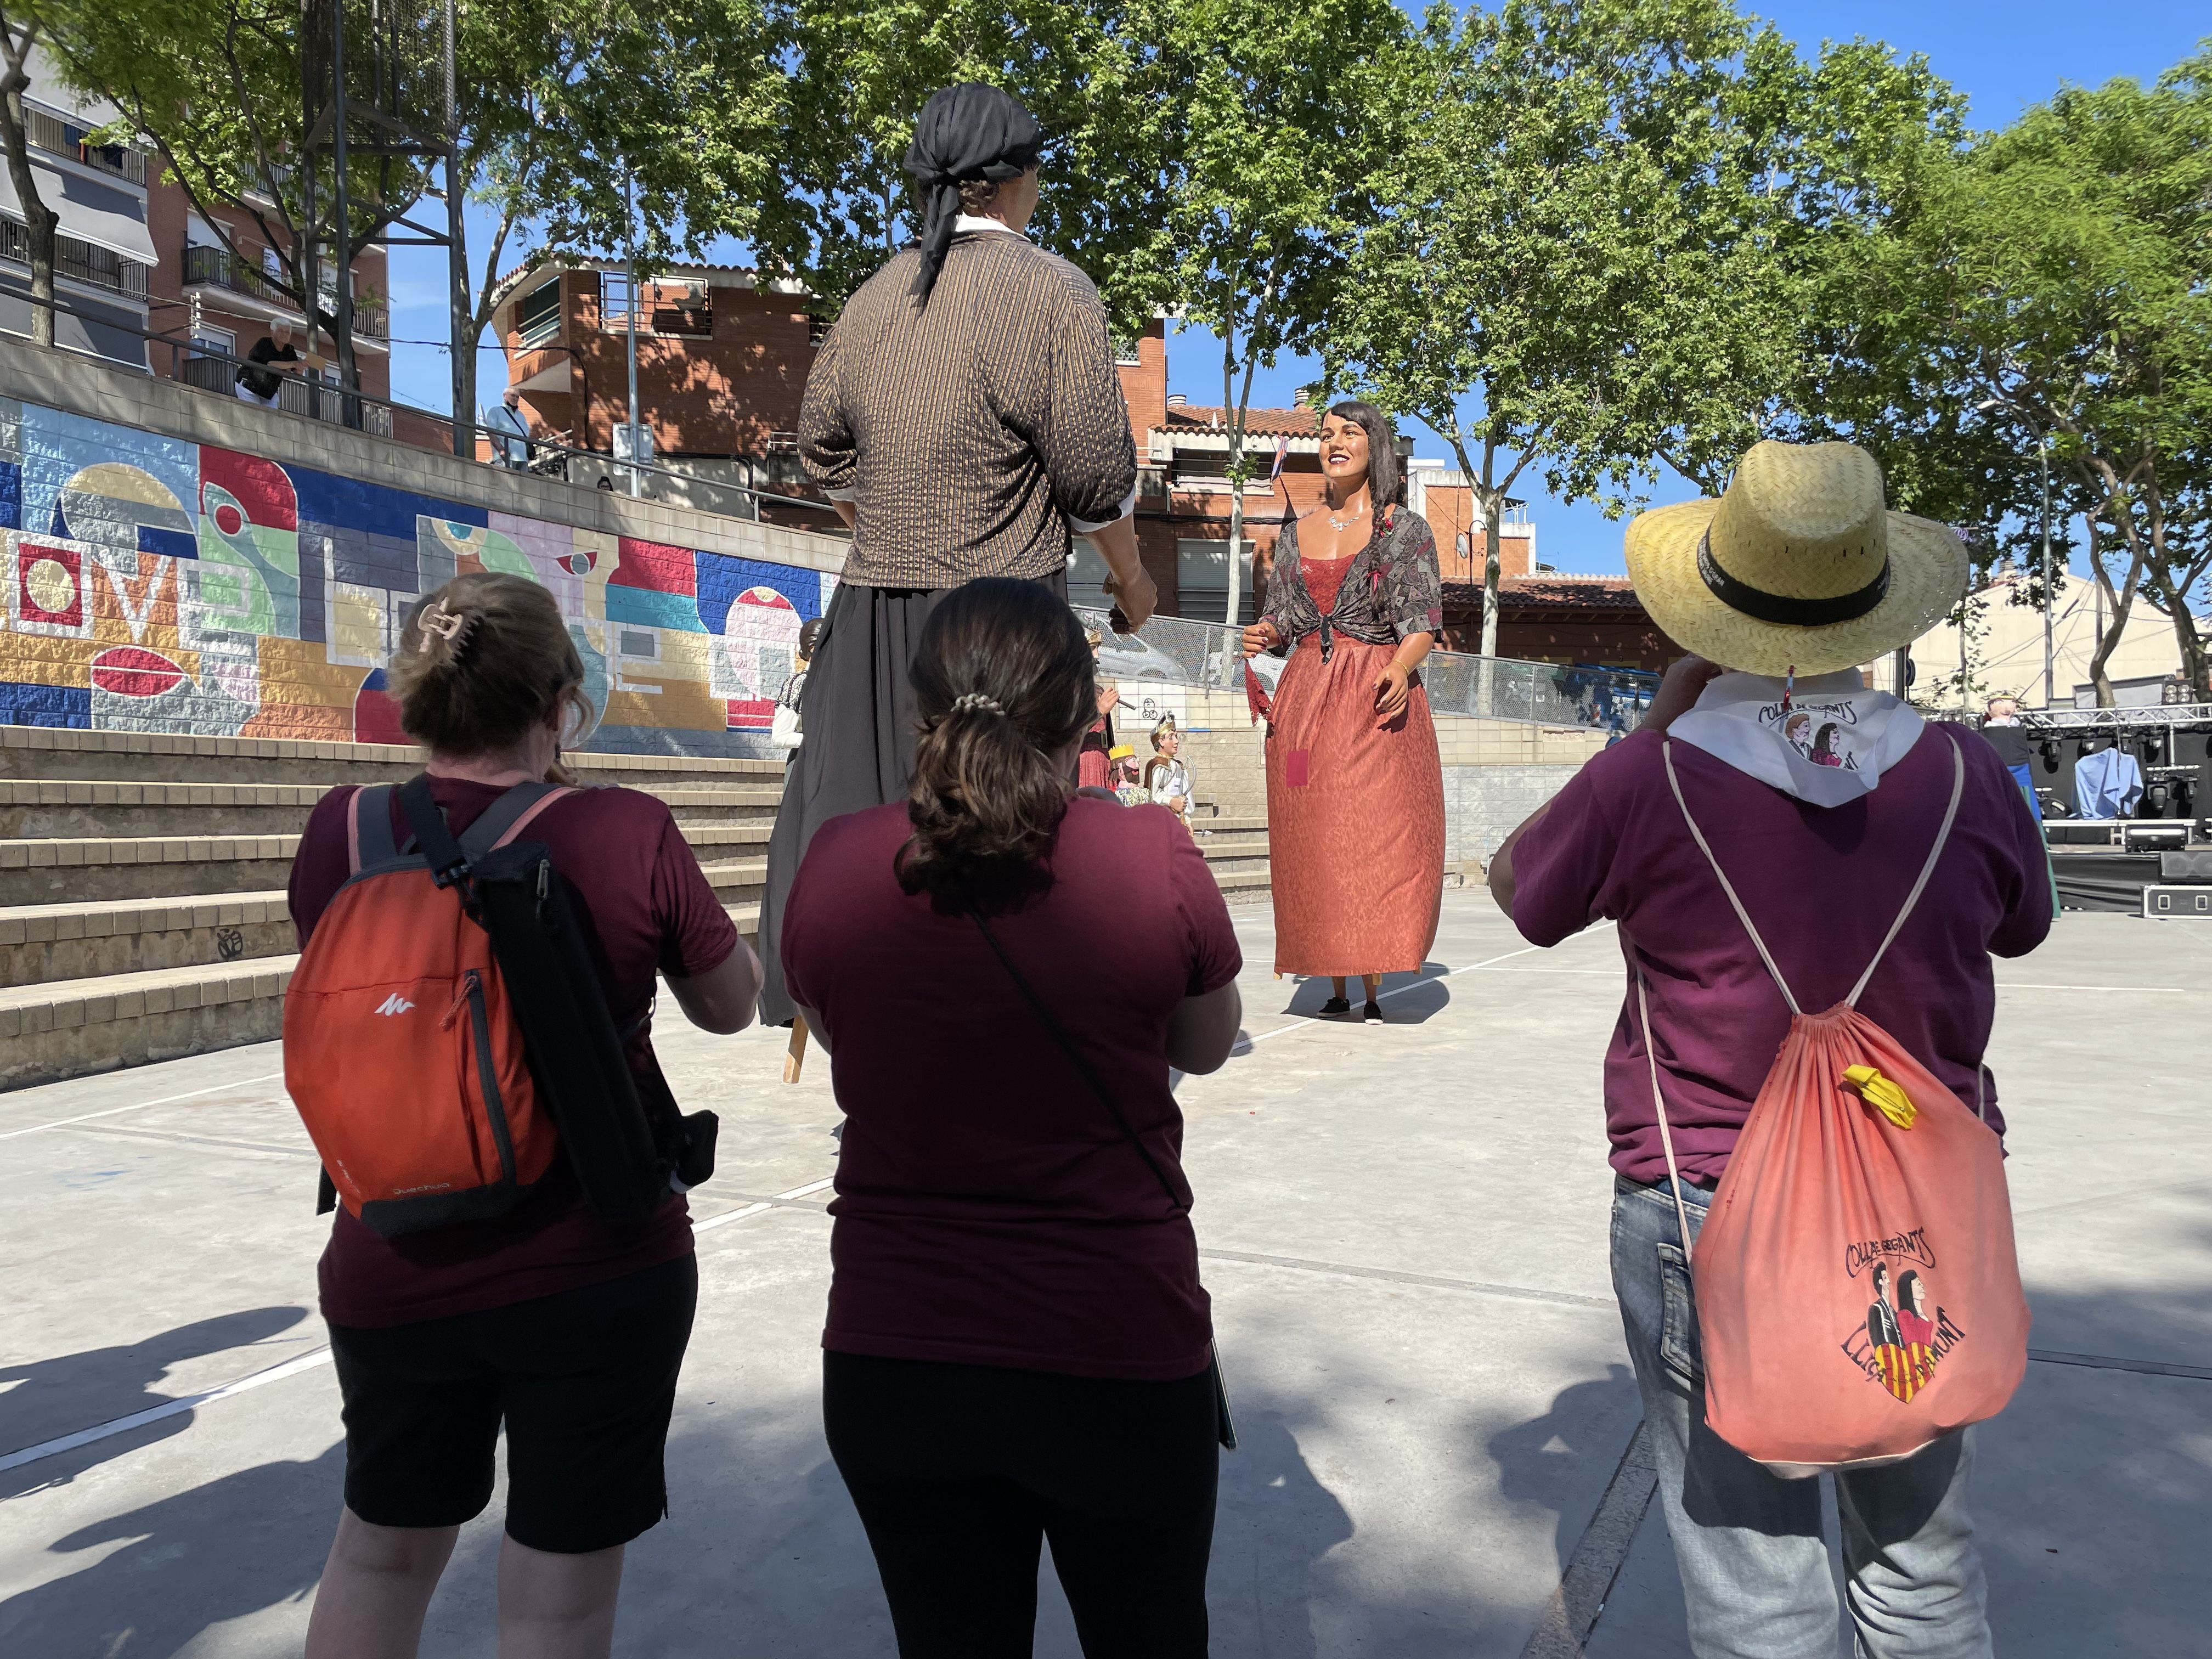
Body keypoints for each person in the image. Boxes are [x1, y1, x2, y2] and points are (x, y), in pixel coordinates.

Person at [1488, 439, 2052, 1659]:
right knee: (1924, 1563)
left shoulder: (1650, 780)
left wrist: (1654, 722)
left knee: (1755, 1582)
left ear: (1718, 608)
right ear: (1872, 600)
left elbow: (1520, 892)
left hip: (1706, 1204)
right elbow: (2025, 925)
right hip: (1920, 1208)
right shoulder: (1969, 775)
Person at [289, 571, 764, 1659]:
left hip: (390, 1261)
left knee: (379, 1555)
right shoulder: (625, 830)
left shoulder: (343, 834)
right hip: (593, 1265)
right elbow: (732, 1008)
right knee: (555, 1601)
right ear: (561, 702)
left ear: (420, 700)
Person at [781, 579, 1241, 1658]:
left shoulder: (839, 863)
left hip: (899, 1358)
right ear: (1083, 711)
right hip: (1115, 1350)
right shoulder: (1148, 857)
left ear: (919, 708)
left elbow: (849, 1037)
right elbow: (1204, 1046)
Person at [757, 82, 1156, 1031]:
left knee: (870, 843)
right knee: (1000, 850)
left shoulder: (873, 296)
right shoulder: (1054, 290)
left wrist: (888, 524)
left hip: (873, 624)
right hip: (1000, 621)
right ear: (1021, 178)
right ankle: (1000, 1039)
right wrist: (1134, 579)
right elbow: (1096, 475)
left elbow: (819, 449)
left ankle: (877, 1035)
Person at [1240, 401, 1444, 1025]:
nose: (1334, 442)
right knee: (1315, 840)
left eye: (1349, 433)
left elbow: (1422, 621)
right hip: (1303, 710)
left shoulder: (1404, 530)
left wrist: (1401, 667)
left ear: (1372, 446)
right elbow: (1288, 616)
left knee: (1377, 838)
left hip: (1373, 701)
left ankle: (1377, 980)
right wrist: (1264, 633)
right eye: (1326, 434)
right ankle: (1332, 982)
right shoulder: (1296, 533)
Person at [1977, 695, 2042, 822]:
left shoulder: (2018, 727)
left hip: (2022, 770)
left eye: (2012, 702)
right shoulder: (1988, 730)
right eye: (2001, 702)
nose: (2007, 706)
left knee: (2027, 804)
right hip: (1997, 771)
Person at [772, 616, 828, 753]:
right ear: (813, 648)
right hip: (806, 763)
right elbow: (780, 736)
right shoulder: (799, 683)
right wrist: (819, 741)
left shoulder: (837, 682)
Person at [235, 320, 304, 407]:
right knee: (254, 416)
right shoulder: (264, 343)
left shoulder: (289, 350)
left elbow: (297, 371)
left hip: (268, 392)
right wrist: (293, 364)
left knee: (272, 418)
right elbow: (270, 364)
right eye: (280, 331)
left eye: (287, 332)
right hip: (248, 386)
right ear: (272, 333)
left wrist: (301, 367)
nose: (284, 335)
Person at [1146, 714, 1193, 823]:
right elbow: (1152, 794)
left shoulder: (1179, 766)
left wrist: (1187, 819)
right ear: (1161, 741)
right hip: (1160, 820)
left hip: (1178, 821)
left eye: (1176, 736)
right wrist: (1170, 801)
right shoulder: (1157, 765)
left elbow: (1186, 795)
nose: (1177, 741)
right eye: (1171, 737)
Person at [484, 386, 532, 471]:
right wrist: (501, 450)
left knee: (522, 483)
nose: (515, 398)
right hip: (506, 457)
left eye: (517, 397)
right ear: (505, 396)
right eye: (513, 396)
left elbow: (527, 436)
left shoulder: (521, 416)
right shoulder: (495, 411)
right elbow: (491, 433)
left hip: (523, 458)